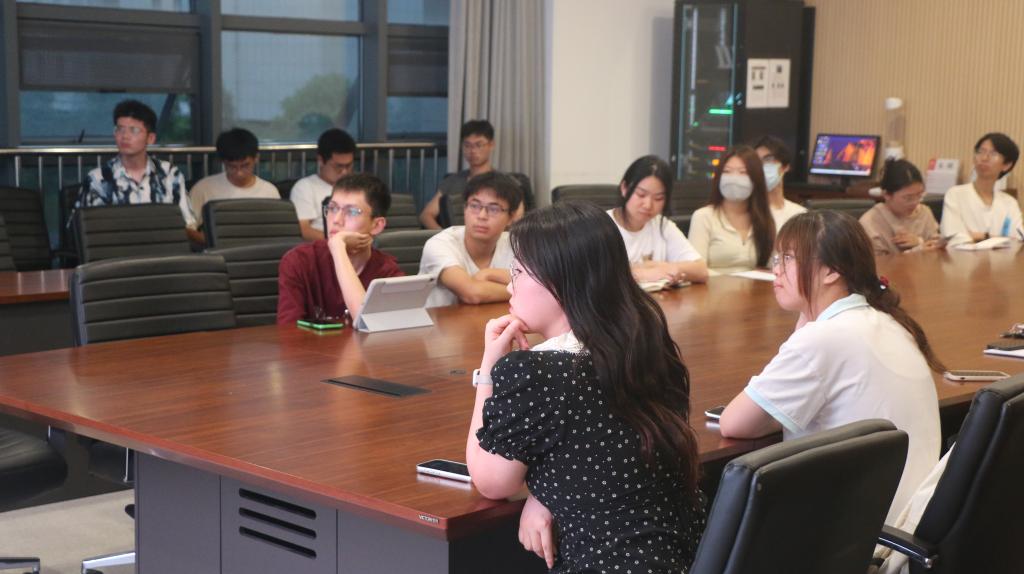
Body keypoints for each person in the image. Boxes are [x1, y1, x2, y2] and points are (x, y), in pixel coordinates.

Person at [465, 201, 705, 573]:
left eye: (519, 271)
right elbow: (606, 454)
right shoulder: (645, 346)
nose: (510, 285)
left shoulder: (538, 372)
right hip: (678, 558)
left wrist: (488, 371)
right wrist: (544, 495)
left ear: (560, 281)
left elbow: (491, 482)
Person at [718, 210, 943, 524]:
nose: (776, 270)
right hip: (910, 519)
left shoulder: (824, 338)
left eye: (788, 258)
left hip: (859, 534)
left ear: (831, 271)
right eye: (777, 259)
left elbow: (733, 423)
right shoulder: (890, 323)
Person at [277, 173, 403, 325]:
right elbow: (288, 332)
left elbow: (368, 324)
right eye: (332, 208)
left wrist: (338, 249)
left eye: (352, 212)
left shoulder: (387, 272)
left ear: (376, 225)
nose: (336, 220)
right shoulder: (299, 261)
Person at [83, 99, 200, 244]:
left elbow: (188, 224)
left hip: (164, 251)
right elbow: (87, 232)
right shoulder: (97, 178)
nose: (125, 136)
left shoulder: (169, 174)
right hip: (116, 253)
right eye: (119, 129)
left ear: (150, 138)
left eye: (134, 130)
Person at [418, 172, 521, 307]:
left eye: (494, 209)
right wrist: (522, 292)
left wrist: (489, 274)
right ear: (465, 208)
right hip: (437, 320)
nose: (482, 216)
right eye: (474, 206)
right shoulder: (439, 244)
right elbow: (472, 293)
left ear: (511, 217)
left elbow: (542, 284)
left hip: (490, 318)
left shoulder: (517, 244)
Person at [607, 155, 709, 285]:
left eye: (658, 198)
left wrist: (663, 268)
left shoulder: (662, 225)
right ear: (624, 188)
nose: (648, 205)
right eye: (641, 195)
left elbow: (701, 271)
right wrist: (639, 273)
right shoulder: (602, 225)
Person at [419, 120, 528, 229]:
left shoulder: (506, 182)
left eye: (478, 145)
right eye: (467, 145)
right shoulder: (452, 181)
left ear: (491, 145)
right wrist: (446, 236)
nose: (472, 151)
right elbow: (426, 215)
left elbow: (517, 218)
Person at [686, 146, 775, 273]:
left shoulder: (764, 219)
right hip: (713, 285)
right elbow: (697, 271)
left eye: (743, 172)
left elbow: (773, 266)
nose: (734, 178)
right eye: (727, 171)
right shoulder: (703, 217)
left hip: (754, 285)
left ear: (756, 179)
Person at [189, 127, 280, 234]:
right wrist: (208, 241)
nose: (239, 173)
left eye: (245, 166)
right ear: (223, 162)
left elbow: (277, 230)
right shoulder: (203, 189)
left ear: (256, 158)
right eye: (232, 167)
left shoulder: (269, 191)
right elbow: (189, 228)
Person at [940, 132, 1022, 244]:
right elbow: (953, 235)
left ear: (1006, 165)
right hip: (963, 255)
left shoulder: (1010, 202)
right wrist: (996, 238)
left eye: (993, 154)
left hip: (1001, 256)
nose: (984, 158)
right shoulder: (955, 194)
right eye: (980, 152)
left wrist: (980, 236)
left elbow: (1017, 240)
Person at [859, 159, 943, 255]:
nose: (915, 202)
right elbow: (877, 262)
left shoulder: (924, 212)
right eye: (908, 198)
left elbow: (938, 248)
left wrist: (919, 241)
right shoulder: (870, 223)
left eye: (919, 195)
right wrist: (916, 251)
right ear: (886, 195)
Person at [290, 128, 357, 242]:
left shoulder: (359, 187)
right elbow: (304, 230)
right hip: (323, 246)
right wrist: (341, 241)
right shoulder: (305, 187)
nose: (344, 172)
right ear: (321, 160)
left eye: (349, 166)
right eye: (338, 166)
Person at [751, 135, 807, 230]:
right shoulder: (744, 213)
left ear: (785, 167)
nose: (761, 166)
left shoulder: (799, 215)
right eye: (756, 161)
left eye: (768, 160)